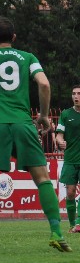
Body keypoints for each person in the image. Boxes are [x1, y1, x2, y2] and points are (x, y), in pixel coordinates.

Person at [0, 16, 70, 253]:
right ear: (14, 37)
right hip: (22, 123)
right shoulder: (27, 58)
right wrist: (45, 116)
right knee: (42, 179)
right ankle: (56, 232)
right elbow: (44, 84)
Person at [55, 84, 80, 233]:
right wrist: (60, 141)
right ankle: (72, 224)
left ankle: (79, 222)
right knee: (70, 192)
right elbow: (59, 134)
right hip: (70, 159)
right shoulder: (65, 114)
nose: (76, 96)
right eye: (74, 94)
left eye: (78, 93)